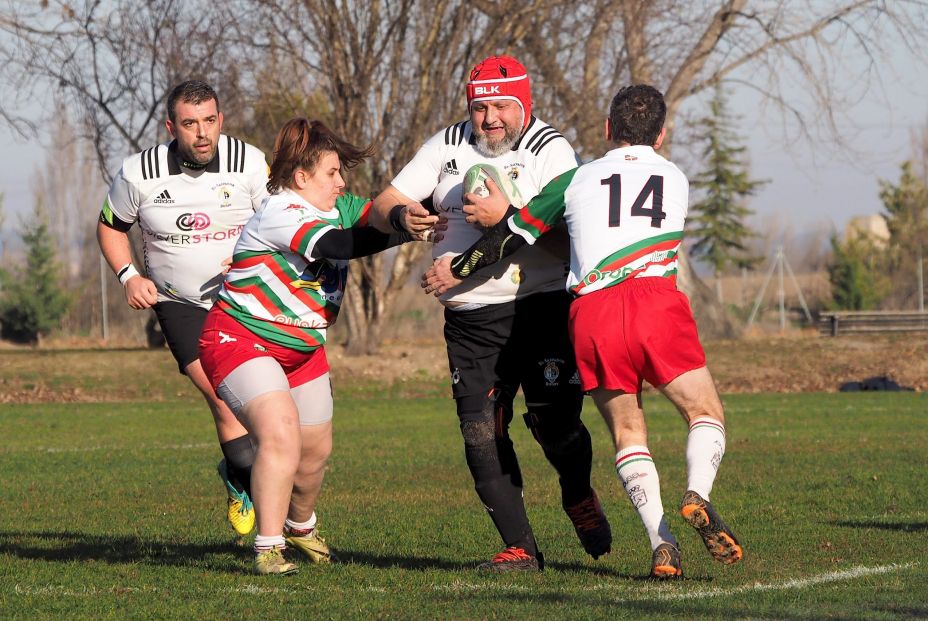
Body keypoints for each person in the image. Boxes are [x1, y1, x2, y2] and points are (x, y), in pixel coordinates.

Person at [422, 84, 744, 578]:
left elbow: (512, 235)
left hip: (592, 312)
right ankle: (697, 491)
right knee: (704, 412)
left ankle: (663, 542)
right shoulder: (675, 177)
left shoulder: (575, 179)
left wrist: (459, 267)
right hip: (654, 301)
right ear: (661, 134)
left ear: (608, 130)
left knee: (628, 431)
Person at [370, 55, 611, 571]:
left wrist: (506, 219)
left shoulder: (551, 151)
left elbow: (571, 244)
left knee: (557, 426)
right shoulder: (447, 144)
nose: (491, 119)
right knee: (481, 431)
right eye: (481, 107)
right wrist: (402, 215)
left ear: (524, 104)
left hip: (539, 308)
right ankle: (521, 548)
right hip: (471, 320)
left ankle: (578, 494)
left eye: (503, 105)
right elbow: (382, 201)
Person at [198, 117, 419, 575]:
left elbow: (376, 213)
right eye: (332, 173)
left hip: (302, 348)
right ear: (301, 178)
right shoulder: (282, 210)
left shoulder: (334, 205)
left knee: (314, 454)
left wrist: (407, 215)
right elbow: (340, 244)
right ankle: (267, 547)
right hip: (241, 337)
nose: (342, 183)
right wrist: (399, 227)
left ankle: (300, 528)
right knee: (281, 436)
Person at [97, 80, 266, 538]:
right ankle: (274, 513)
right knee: (224, 398)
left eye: (210, 121)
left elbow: (277, 222)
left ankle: (240, 476)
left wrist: (256, 258)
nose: (202, 133)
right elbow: (110, 227)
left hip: (244, 300)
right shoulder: (140, 172)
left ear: (221, 121)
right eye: (190, 124)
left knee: (265, 409)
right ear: (172, 126)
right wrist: (129, 276)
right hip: (180, 303)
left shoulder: (250, 163)